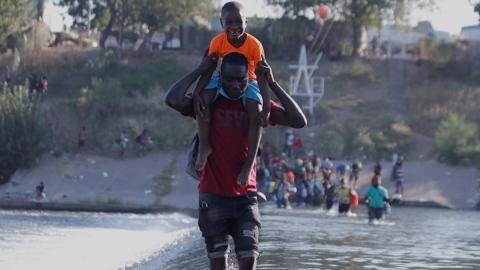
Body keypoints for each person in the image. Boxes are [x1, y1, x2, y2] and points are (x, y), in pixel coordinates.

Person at [165, 52, 307, 270]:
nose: (235, 85)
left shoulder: (256, 104)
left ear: (247, 78)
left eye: (241, 80)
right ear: (221, 77)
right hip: (212, 196)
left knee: (249, 260)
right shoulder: (208, 101)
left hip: (245, 199)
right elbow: (173, 99)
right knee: (218, 263)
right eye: (229, 79)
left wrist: (273, 84)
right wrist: (201, 70)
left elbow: (299, 121)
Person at [193, 1, 270, 173]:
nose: (234, 27)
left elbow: (262, 75)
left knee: (254, 111)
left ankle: (249, 162)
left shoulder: (254, 45)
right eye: (229, 22)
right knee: (203, 100)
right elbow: (208, 69)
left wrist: (266, 106)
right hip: (223, 80)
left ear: (246, 22)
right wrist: (198, 92)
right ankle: (204, 146)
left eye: (239, 22)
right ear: (221, 23)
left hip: (248, 81)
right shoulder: (217, 42)